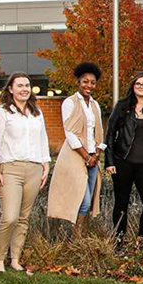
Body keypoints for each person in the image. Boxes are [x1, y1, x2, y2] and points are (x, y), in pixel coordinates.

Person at [0, 72, 50, 272]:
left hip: (34, 168)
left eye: (27, 85)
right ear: (10, 89)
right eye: (20, 85)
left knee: (24, 217)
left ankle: (15, 258)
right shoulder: (2, 112)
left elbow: (43, 139)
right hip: (10, 168)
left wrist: (46, 164)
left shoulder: (36, 112)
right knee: (10, 217)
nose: (24, 89)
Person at [105, 72, 143, 247]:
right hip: (122, 161)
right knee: (121, 203)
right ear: (133, 86)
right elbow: (110, 135)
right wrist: (109, 162)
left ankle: (142, 238)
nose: (141, 86)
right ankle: (119, 240)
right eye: (138, 83)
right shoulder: (122, 107)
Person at [47, 62, 106, 231]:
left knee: (89, 200)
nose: (89, 85)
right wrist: (86, 157)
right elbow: (70, 134)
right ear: (78, 82)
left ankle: (81, 240)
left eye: (92, 82)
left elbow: (99, 131)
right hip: (76, 156)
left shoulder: (95, 105)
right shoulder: (69, 102)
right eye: (85, 81)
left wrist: (96, 155)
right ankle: (77, 238)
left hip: (93, 158)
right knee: (83, 199)